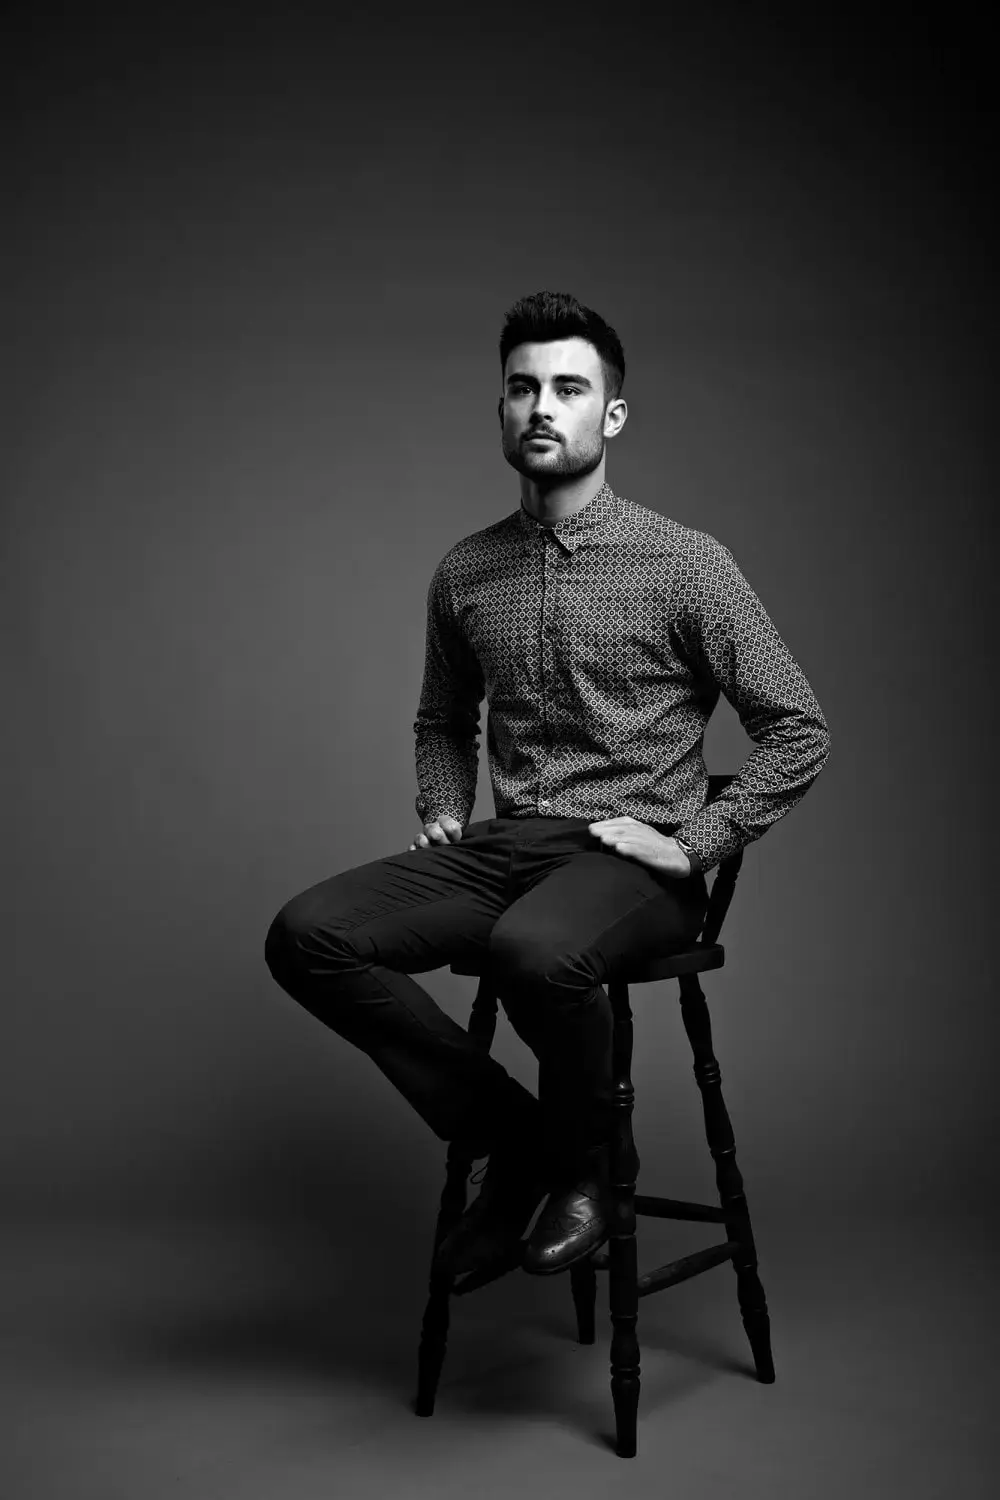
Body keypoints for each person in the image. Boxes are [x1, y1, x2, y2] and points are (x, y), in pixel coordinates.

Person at [264, 289, 831, 1293]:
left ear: (610, 415)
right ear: (499, 409)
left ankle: (590, 1167)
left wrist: (699, 840)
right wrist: (441, 802)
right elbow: (442, 720)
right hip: (509, 846)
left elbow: (797, 728)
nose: (541, 406)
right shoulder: (466, 569)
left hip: (632, 856)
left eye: (568, 388)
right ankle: (531, 1147)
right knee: (307, 935)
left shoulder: (685, 563)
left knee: (533, 955)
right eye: (521, 387)